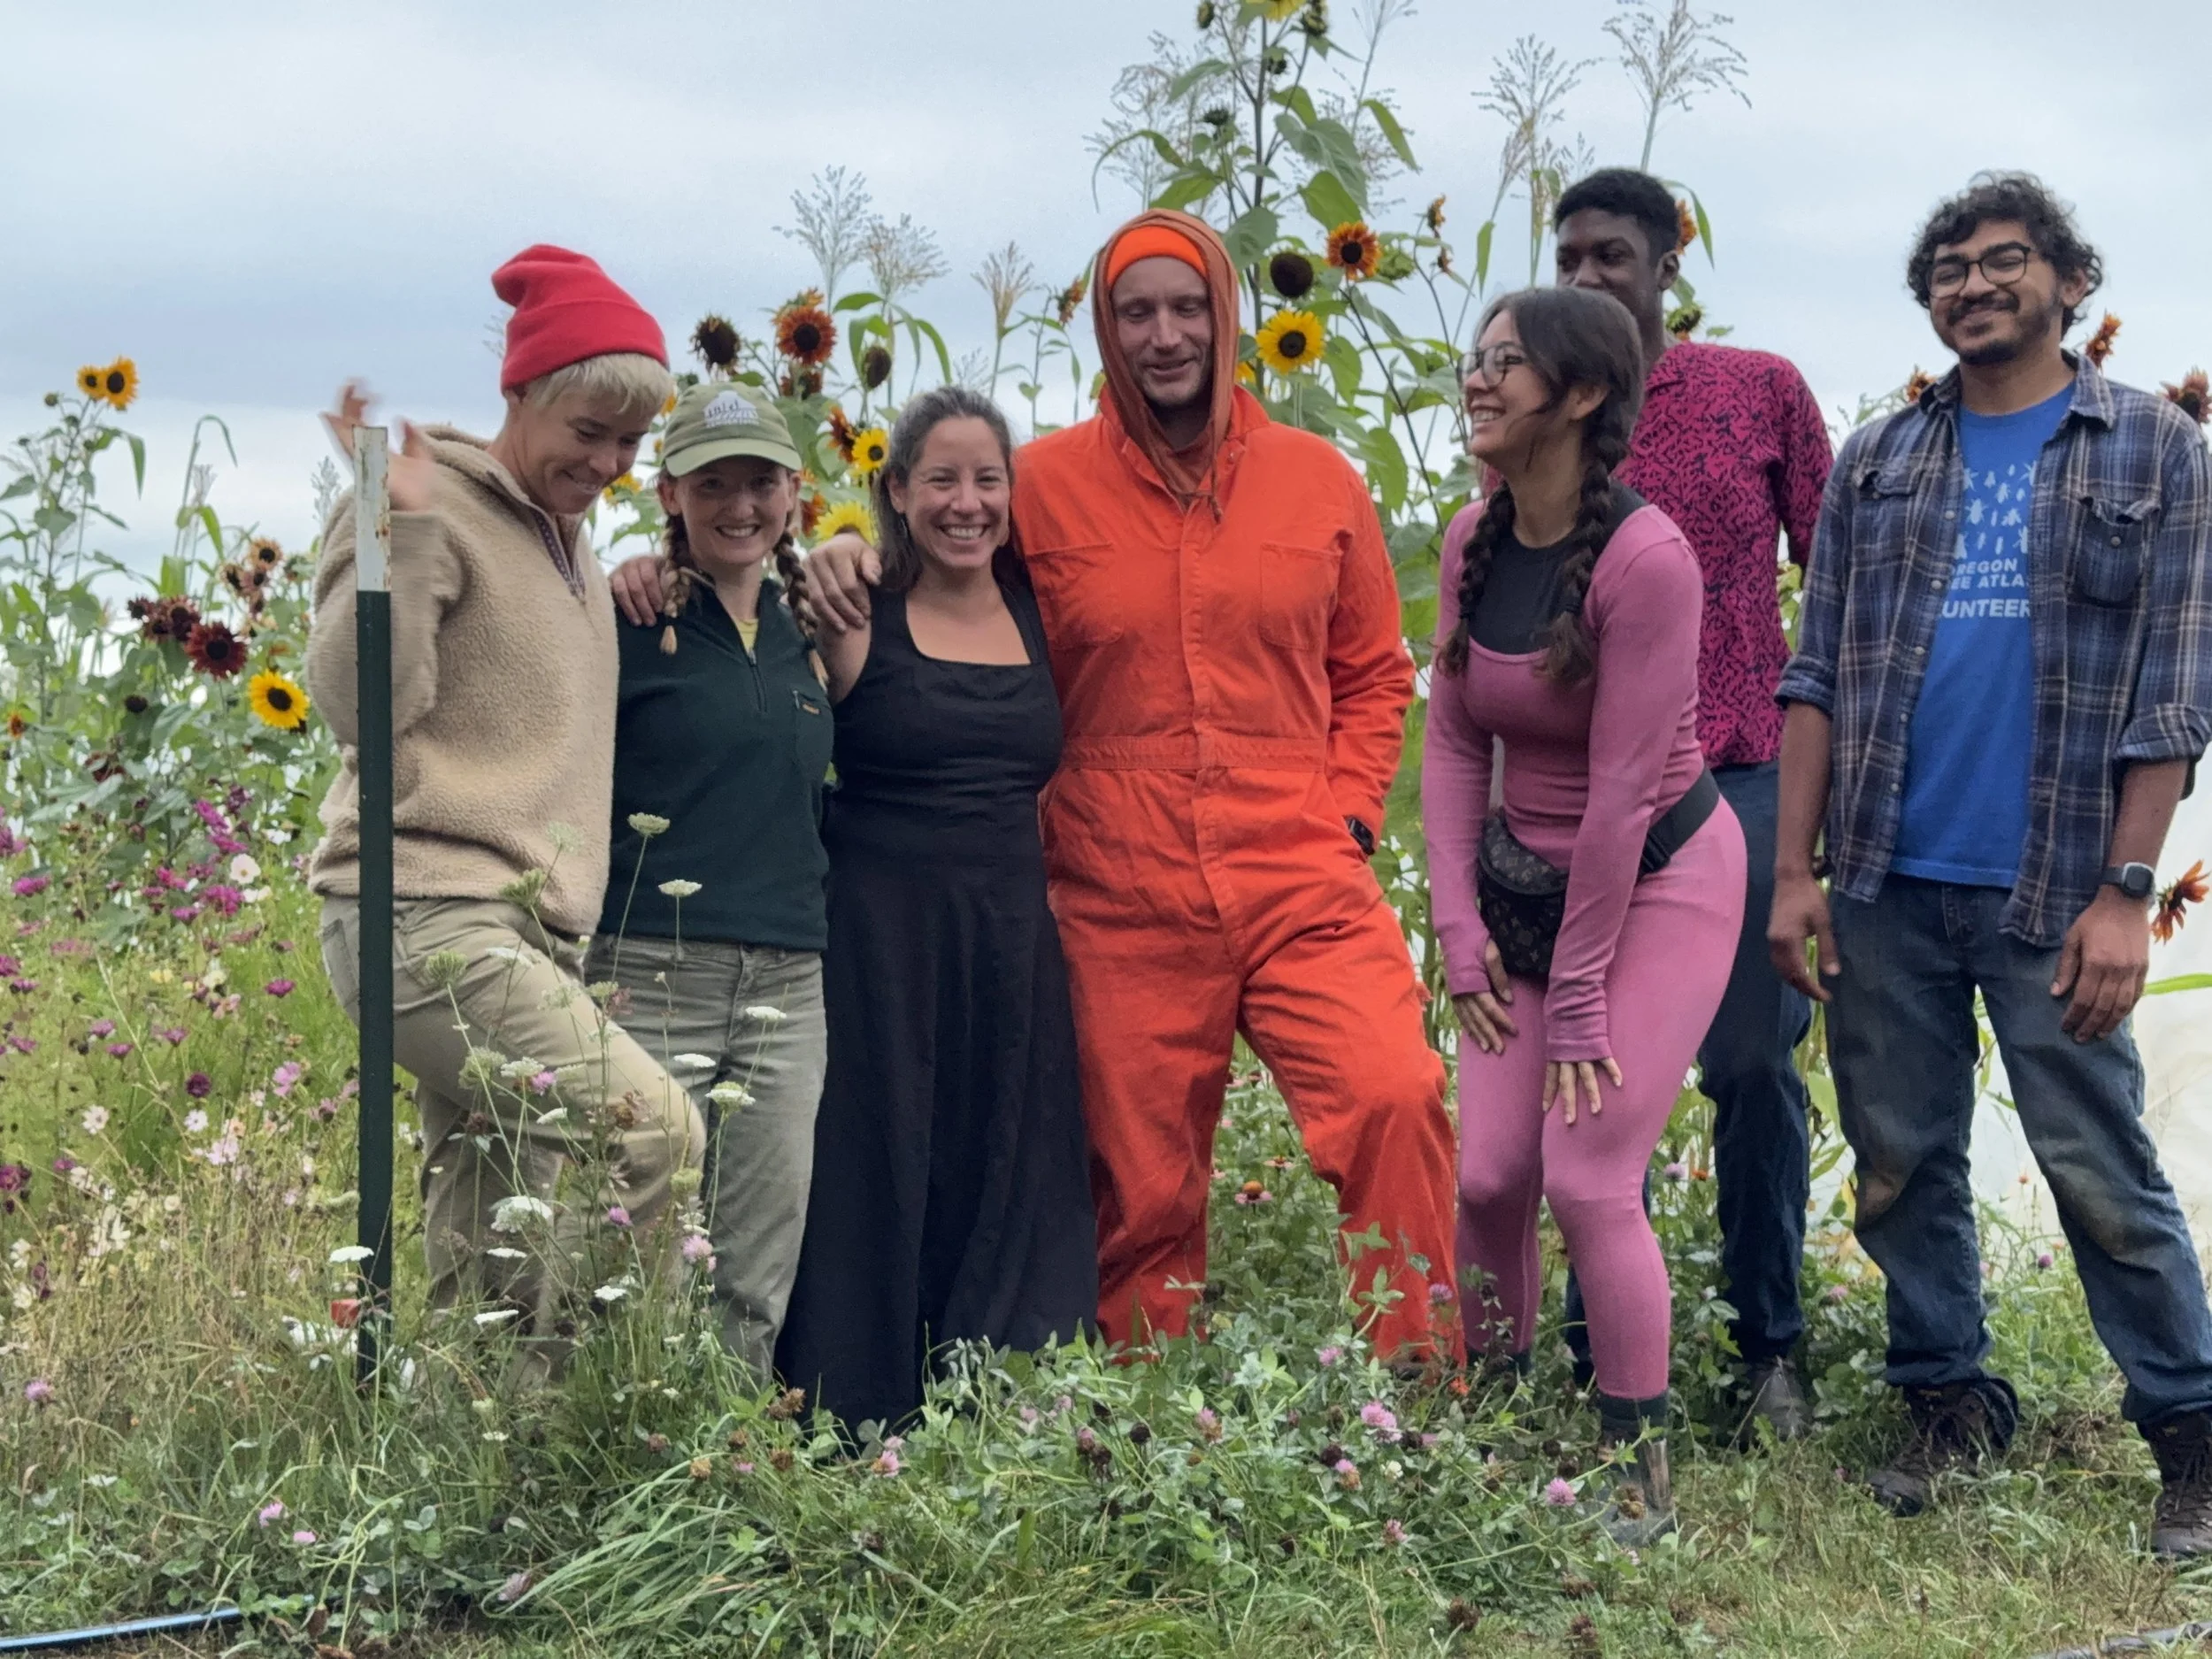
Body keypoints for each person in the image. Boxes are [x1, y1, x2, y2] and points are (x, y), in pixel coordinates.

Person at [619, 211, 1460, 1364]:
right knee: (1136, 1179)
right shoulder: (1045, 488)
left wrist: (1355, 813)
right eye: (1135, 312)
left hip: (1300, 872)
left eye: (1186, 308)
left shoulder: (1318, 482)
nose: (1164, 335)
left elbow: (1373, 669)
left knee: (1395, 1090)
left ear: (1229, 315)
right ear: (1109, 332)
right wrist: (839, 551)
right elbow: (936, 581)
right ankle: (1140, 1413)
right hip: (1119, 885)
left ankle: (1416, 1380)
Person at [1770, 172, 2212, 1555]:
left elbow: (2175, 691)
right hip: (1887, 878)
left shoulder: (2152, 449)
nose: (1973, 283)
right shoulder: (1881, 459)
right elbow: (1818, 676)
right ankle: (1948, 1400)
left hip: (2056, 889)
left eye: (2003, 260)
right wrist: (1794, 872)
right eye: (1948, 269)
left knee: (2100, 1164)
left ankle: (2191, 1431)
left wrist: (2127, 892)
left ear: (2071, 283)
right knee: (1901, 1160)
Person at [307, 244, 703, 1364]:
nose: (611, 462)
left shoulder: (565, 543)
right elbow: (357, 705)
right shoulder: (428, 506)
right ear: (520, 394)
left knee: (492, 1240)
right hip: (424, 912)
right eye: (588, 430)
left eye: (629, 443)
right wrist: (404, 524)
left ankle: (487, 1474)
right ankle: (607, 1404)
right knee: (653, 1131)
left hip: (521, 924)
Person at [1425, 285, 1745, 1542]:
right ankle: (1495, 1428)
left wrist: (1581, 1002)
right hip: (1522, 884)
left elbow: (1620, 801)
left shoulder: (1647, 561)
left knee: (1590, 1173)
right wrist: (1459, 928)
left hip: (1658, 880)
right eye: (1478, 358)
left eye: (1509, 364)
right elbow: (1453, 744)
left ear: (1583, 395)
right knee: (1492, 1171)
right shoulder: (1472, 541)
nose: (1480, 380)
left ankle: (1639, 1482)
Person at [1549, 166, 1834, 1437]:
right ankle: (1590, 1339)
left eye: (1612, 254)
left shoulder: (1756, 389)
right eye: (1569, 258)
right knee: (1588, 1059)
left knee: (1754, 1064)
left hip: (1744, 764)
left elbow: (1836, 571)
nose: (1588, 277)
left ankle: (1772, 1342)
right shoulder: (1554, 414)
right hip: (1589, 790)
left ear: (1671, 262)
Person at [772, 387, 1097, 1429]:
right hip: (878, 939)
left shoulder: (1038, 612)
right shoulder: (857, 608)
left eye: (988, 479)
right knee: (876, 1157)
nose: (968, 502)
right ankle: (854, 1408)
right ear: (897, 491)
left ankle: (998, 1402)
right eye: (942, 479)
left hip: (1012, 940)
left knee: (1006, 1158)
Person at [584, 380, 833, 1379]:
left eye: (761, 482)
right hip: (653, 964)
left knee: (756, 1260)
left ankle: (723, 1472)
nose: (741, 506)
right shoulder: (626, 619)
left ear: (793, 492)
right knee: (633, 1248)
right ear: (670, 496)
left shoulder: (809, 620)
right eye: (713, 483)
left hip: (789, 979)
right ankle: (622, 1449)